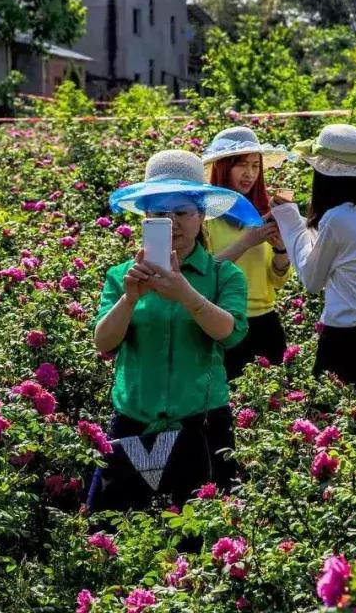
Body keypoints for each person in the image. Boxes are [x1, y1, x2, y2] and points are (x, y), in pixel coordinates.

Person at [89, 150, 262, 512]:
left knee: (204, 537)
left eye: (181, 212)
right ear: (145, 220)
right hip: (133, 420)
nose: (172, 223)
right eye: (158, 215)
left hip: (201, 423)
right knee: (111, 529)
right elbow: (103, 343)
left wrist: (185, 293)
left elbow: (230, 333)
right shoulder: (122, 277)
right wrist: (130, 300)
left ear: (202, 216)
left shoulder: (222, 276)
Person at [270, 124, 356, 396]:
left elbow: (311, 280)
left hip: (342, 338)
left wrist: (290, 222)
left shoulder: (337, 219)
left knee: (328, 419)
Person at [202, 127, 294, 380]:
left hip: (265, 324)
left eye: (256, 166)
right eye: (241, 165)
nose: (250, 174)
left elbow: (277, 280)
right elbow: (202, 271)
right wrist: (245, 243)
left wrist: (280, 248)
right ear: (222, 166)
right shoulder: (204, 217)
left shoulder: (263, 213)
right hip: (223, 323)